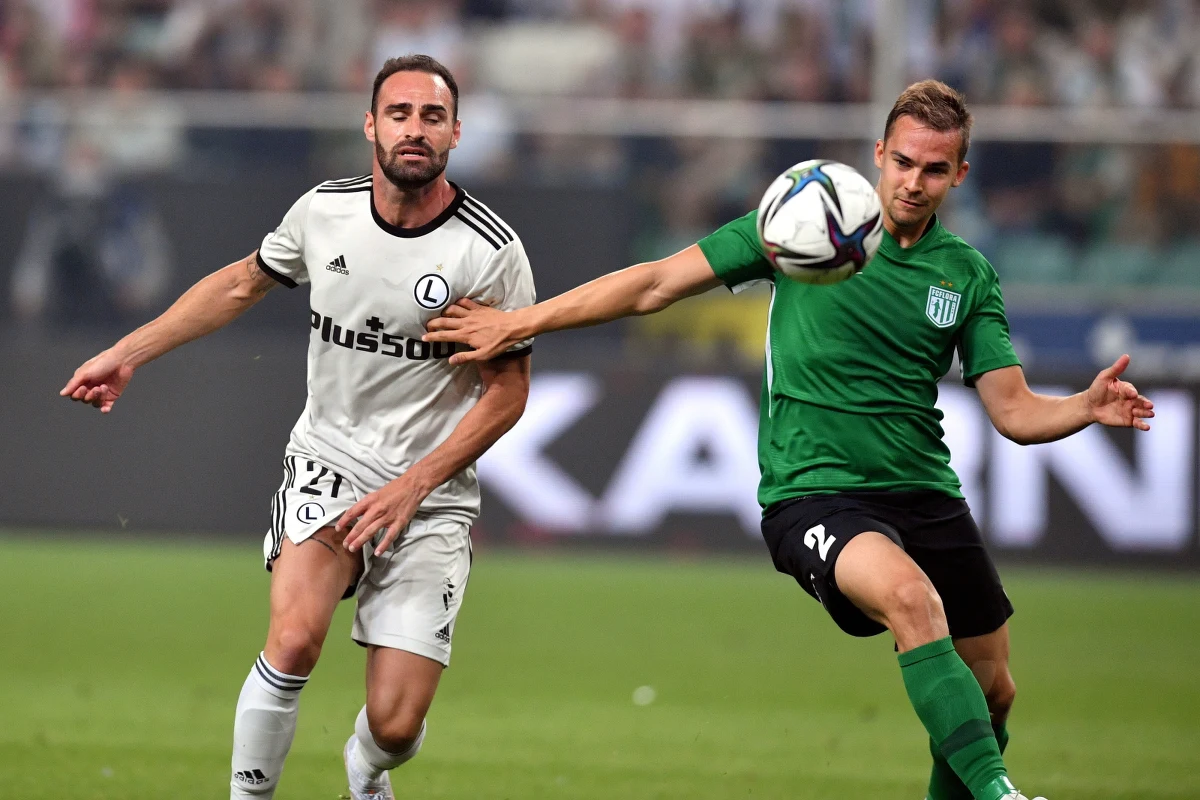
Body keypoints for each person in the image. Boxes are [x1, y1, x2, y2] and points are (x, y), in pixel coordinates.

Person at [423, 79, 1155, 800]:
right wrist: (519, 322)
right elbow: (653, 284)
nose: (913, 182)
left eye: (935, 169)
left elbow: (1014, 412)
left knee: (993, 693)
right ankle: (1002, 797)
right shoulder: (798, 222)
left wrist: (1083, 408)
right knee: (911, 600)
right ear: (879, 154)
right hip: (815, 493)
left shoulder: (966, 275)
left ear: (959, 173)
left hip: (925, 492)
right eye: (902, 162)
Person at [60, 54, 535, 800]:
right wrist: (128, 353)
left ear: (456, 133)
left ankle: (366, 769)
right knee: (292, 641)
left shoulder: (491, 251)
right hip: (330, 460)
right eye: (401, 113)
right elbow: (242, 282)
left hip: (430, 494)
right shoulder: (324, 211)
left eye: (432, 117)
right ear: (370, 124)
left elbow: (507, 395)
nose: (415, 130)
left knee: (397, 726)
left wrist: (415, 483)